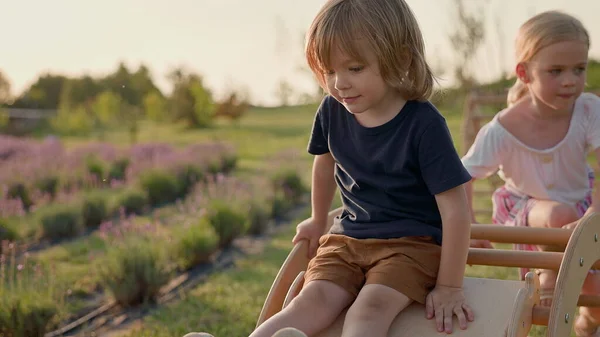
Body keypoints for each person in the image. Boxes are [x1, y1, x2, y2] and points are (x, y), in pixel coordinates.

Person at [183, 0, 474, 336]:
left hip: (410, 244)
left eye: (354, 69)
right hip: (348, 238)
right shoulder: (332, 111)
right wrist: (318, 219)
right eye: (330, 71)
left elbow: (455, 209)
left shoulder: (424, 124)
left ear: (402, 58)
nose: (339, 84)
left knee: (370, 307)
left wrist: (449, 286)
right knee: (311, 299)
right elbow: (324, 165)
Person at [461, 10, 600, 337]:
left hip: (582, 206)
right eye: (556, 71)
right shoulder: (503, 129)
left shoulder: (588, 109)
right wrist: (469, 224)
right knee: (558, 215)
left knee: (594, 295)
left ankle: (586, 321)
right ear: (524, 73)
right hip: (526, 210)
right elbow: (462, 175)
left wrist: (595, 210)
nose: (570, 80)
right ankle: (549, 280)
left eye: (579, 69)